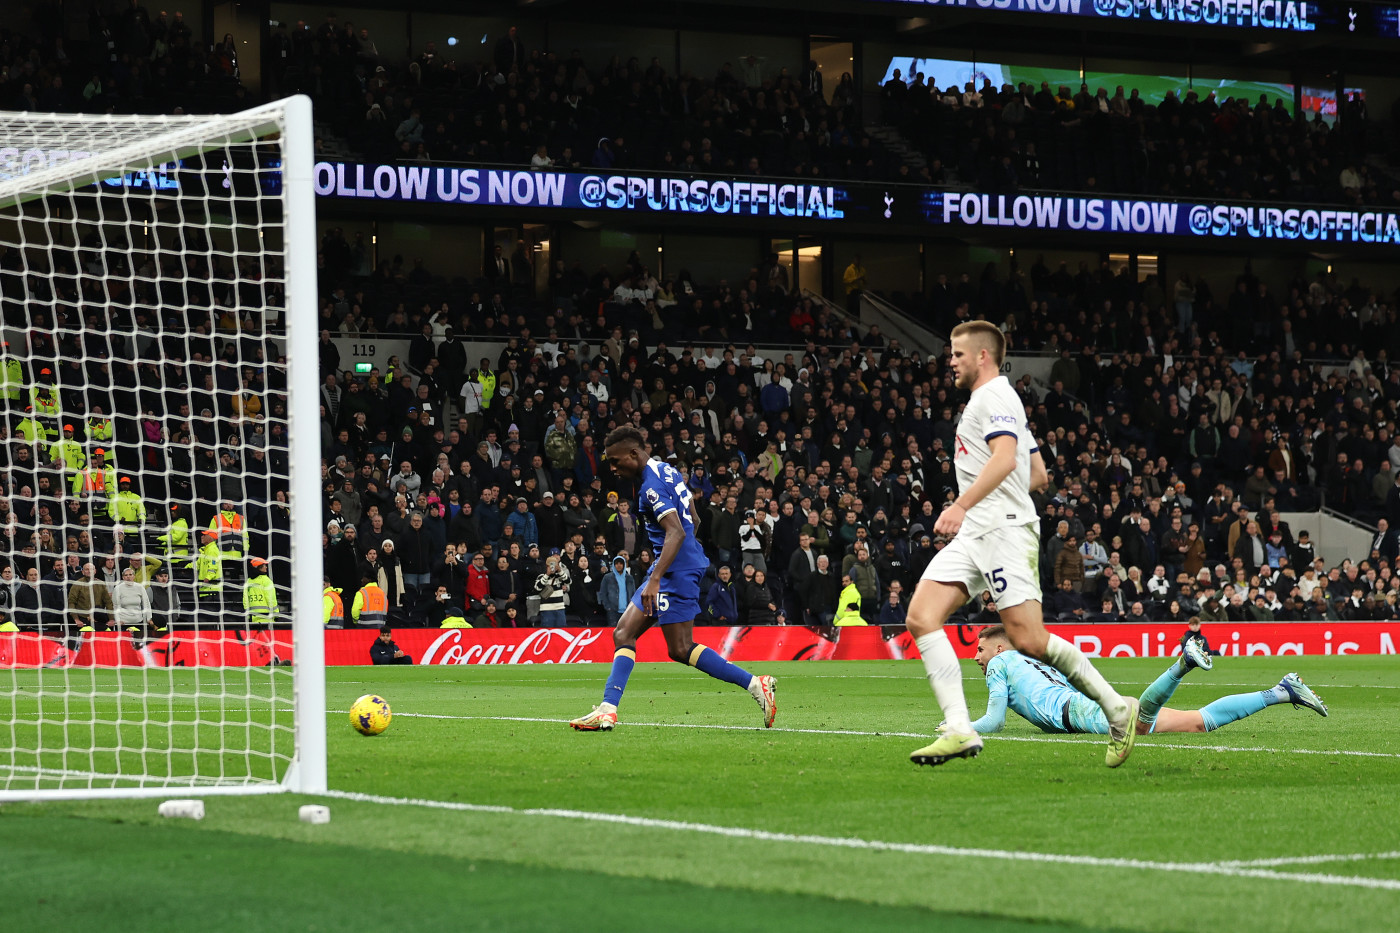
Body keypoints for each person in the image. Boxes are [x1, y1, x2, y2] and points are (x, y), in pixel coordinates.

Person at [905, 321, 1138, 769]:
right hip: (981, 529)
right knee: (921, 616)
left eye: (957, 354)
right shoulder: (1003, 402)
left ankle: (1117, 709)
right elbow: (1037, 475)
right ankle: (958, 728)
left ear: (982, 356)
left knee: (1028, 639)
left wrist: (961, 504)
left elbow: (1006, 457)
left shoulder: (993, 397)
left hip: (1000, 529)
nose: (950, 362)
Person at [569, 425, 776, 731]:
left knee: (658, 642)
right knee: (655, 642)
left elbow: (677, 530)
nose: (613, 469)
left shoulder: (650, 486)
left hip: (672, 572)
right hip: (678, 565)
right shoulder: (666, 469)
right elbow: (693, 514)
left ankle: (608, 708)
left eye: (616, 461)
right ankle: (608, 708)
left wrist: (657, 578)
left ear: (634, 454)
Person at [969, 624, 1328, 735]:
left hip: (1075, 711)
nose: (975, 657)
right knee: (1197, 724)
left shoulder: (1001, 665)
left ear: (998, 648)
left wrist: (959, 727)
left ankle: (1182, 664)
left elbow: (994, 721)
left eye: (980, 650)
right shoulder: (1030, 657)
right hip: (1081, 704)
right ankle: (1281, 692)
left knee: (1139, 726)